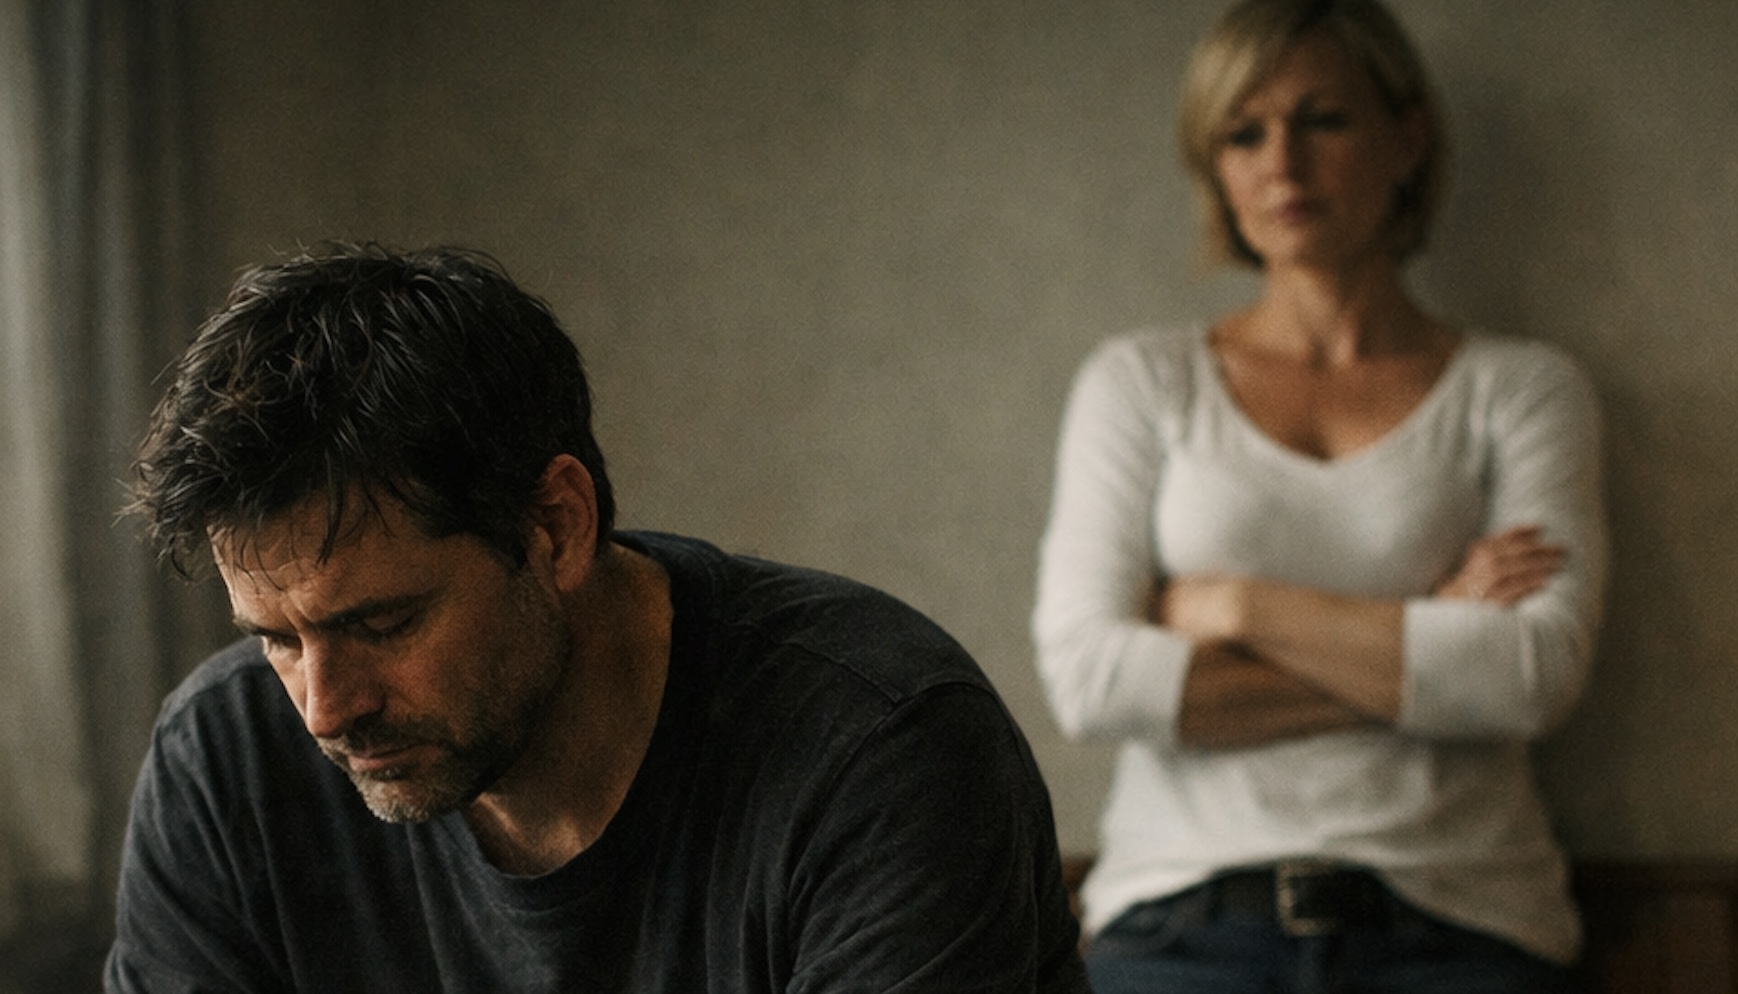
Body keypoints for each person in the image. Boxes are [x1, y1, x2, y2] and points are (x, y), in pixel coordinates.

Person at [109, 243, 1090, 992]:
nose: (325, 708)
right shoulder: (225, 764)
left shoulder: (877, 747)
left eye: (384, 624)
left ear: (555, 526)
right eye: (278, 639)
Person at [1031, 1, 1607, 991]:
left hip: (1461, 925)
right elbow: (1093, 680)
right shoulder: (1140, 382)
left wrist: (1234, 607)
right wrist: (1431, 633)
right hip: (1182, 926)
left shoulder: (1522, 390)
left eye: (1324, 119)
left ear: (1407, 139)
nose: (1283, 164)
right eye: (1243, 133)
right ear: (1213, 167)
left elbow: (1529, 674)